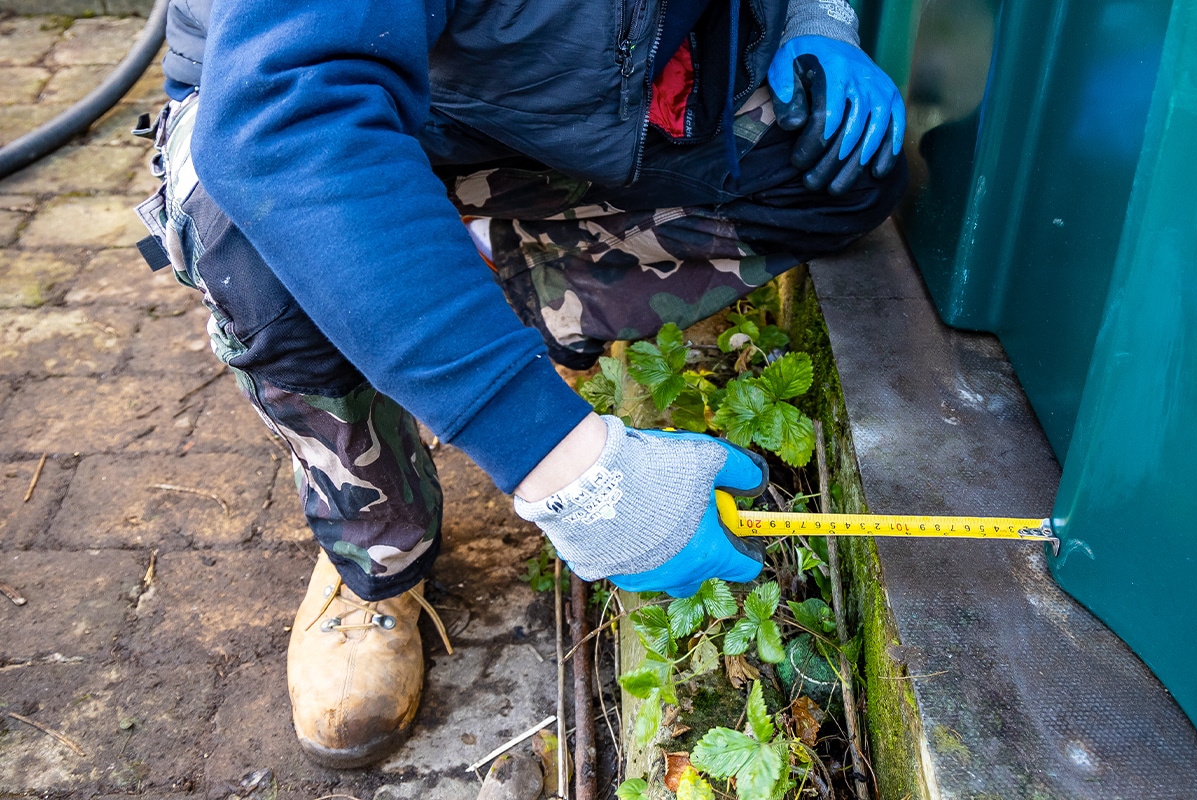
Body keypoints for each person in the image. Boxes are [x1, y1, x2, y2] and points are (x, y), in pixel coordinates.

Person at [134, 0, 907, 769]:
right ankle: (378, 552)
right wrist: (567, 465)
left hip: (599, 93)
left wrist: (820, 17)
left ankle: (427, 304)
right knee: (254, 238)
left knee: (838, 175)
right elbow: (285, 117)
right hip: (327, 101)